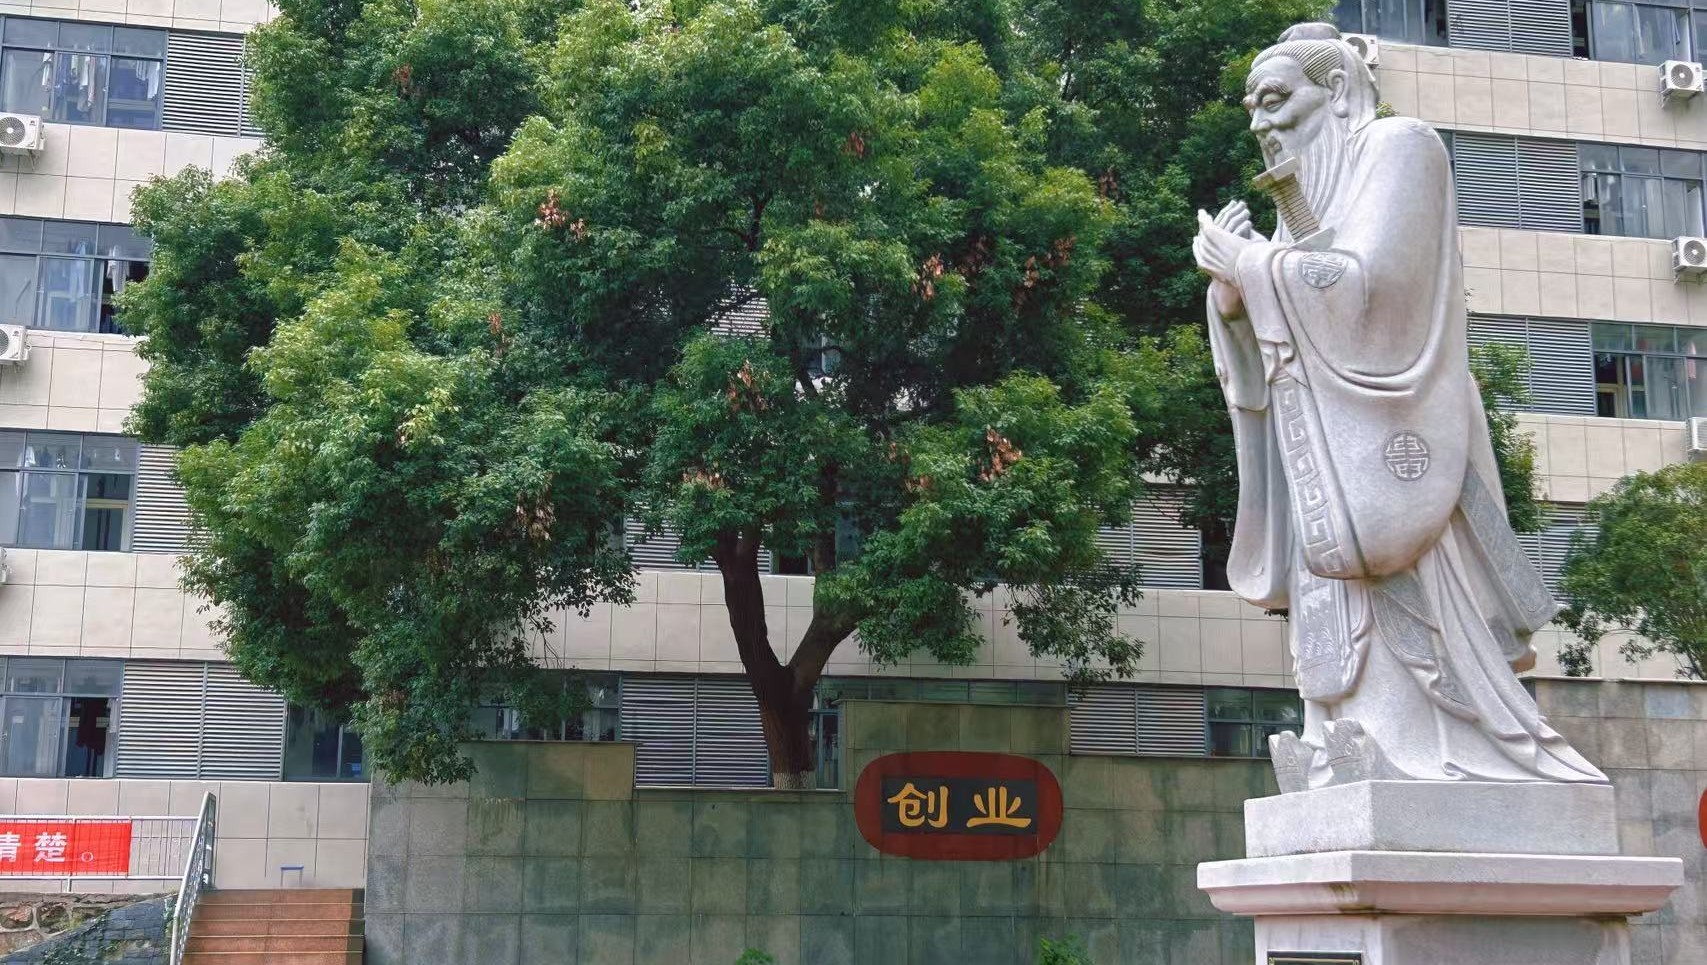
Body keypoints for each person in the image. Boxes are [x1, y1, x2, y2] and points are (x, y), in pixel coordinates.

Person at [1192, 22, 1605, 791]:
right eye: (1251, 108)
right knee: (1335, 607)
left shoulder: (1400, 147)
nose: (1259, 124)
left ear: (1335, 89)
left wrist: (1251, 264)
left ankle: (1433, 749)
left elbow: (1377, 293)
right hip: (1325, 460)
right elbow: (1293, 314)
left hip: (1399, 433)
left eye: (1274, 100)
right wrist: (1232, 300)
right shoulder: (1301, 199)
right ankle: (1334, 743)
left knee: (1417, 600)